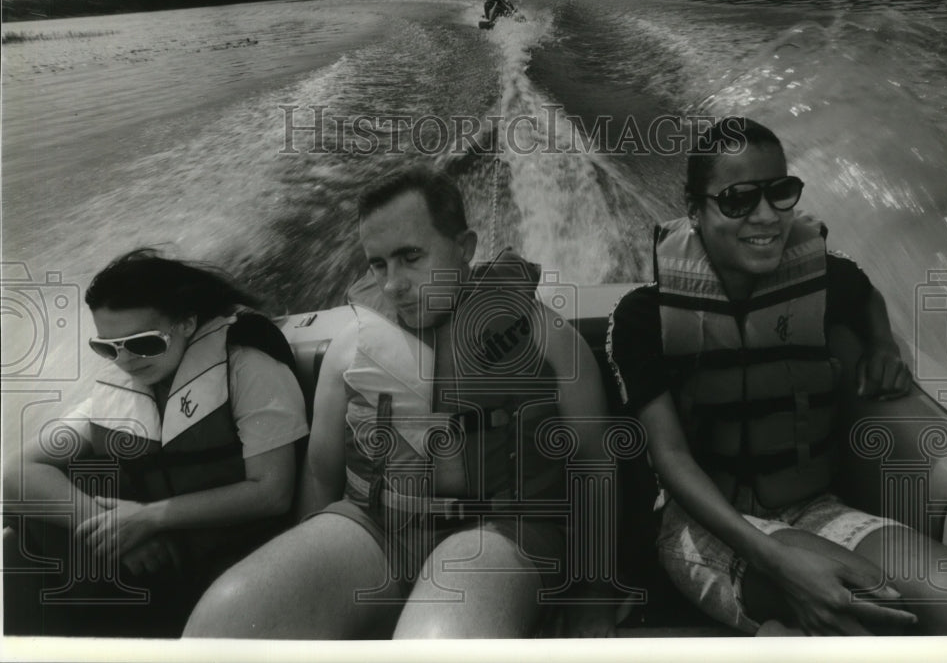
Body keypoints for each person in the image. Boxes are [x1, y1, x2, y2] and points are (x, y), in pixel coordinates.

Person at [183, 166, 617, 639]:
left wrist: (593, 594)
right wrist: (317, 578)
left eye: (411, 256)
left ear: (464, 248)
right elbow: (320, 475)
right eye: (378, 264)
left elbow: (595, 467)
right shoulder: (351, 349)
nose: (392, 284)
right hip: (375, 527)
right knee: (223, 620)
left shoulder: (545, 338)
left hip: (503, 533)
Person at [606, 117, 947, 635]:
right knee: (850, 606)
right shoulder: (641, 319)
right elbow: (671, 460)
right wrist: (775, 559)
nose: (766, 216)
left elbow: (865, 294)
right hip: (705, 526)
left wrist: (882, 346)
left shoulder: (823, 279)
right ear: (695, 210)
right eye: (738, 199)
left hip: (816, 509)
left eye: (780, 192)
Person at [2, 249, 309, 637]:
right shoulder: (120, 391)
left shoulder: (249, 369)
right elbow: (15, 473)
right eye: (108, 348)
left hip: (243, 563)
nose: (126, 361)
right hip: (152, 566)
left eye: (143, 343)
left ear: (186, 322)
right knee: (35, 525)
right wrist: (115, 530)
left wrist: (148, 518)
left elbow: (272, 492)